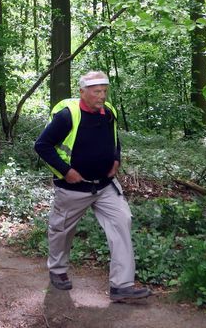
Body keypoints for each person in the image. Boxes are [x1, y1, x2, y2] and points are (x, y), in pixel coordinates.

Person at [34, 71, 152, 302]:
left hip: (106, 186)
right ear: (82, 92)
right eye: (97, 91)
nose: (102, 96)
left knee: (122, 221)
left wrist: (116, 158)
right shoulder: (68, 116)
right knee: (62, 230)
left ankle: (122, 286)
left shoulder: (109, 113)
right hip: (73, 189)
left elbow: (115, 140)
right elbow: (42, 145)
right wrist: (66, 171)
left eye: (105, 91)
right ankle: (57, 270)